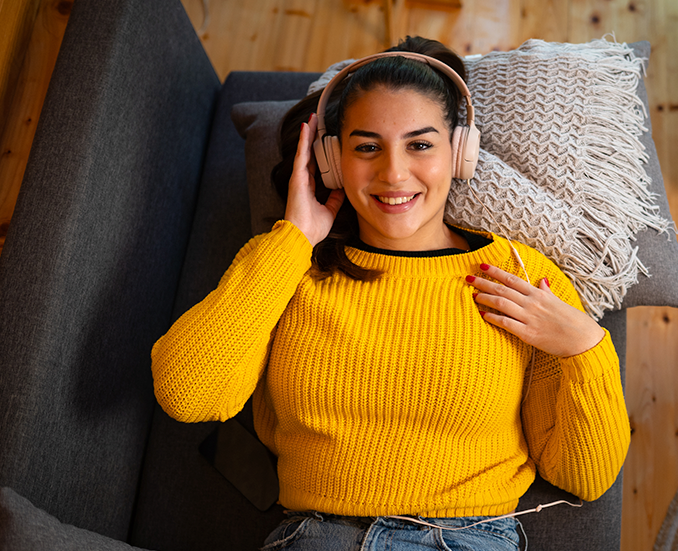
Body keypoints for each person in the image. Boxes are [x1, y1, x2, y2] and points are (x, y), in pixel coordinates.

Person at [151, 36, 630, 551]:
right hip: (315, 538)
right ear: (331, 161)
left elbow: (584, 477)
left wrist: (587, 347)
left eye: (420, 144)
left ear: (460, 153)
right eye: (366, 147)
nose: (394, 173)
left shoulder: (518, 273)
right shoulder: (286, 266)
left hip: (466, 540)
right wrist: (292, 241)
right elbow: (187, 394)